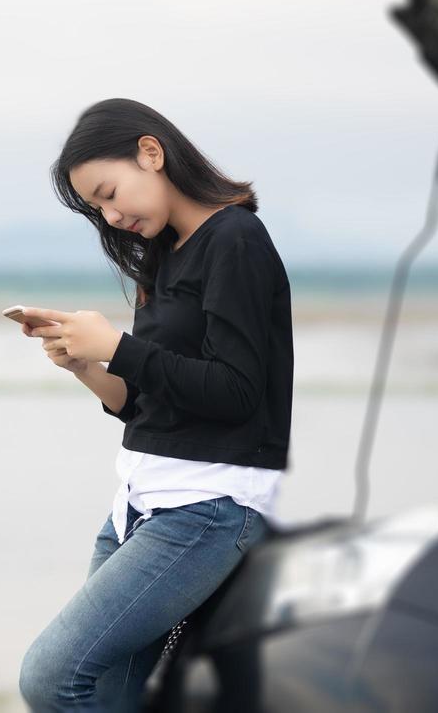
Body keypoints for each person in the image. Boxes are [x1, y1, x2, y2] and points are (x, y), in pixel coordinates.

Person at [17, 98, 294, 711]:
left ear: (151, 152)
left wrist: (117, 346)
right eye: (98, 209)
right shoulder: (165, 257)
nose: (111, 216)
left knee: (51, 679)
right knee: (108, 693)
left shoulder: (235, 240)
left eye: (110, 193)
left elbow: (237, 393)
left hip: (211, 505)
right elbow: (147, 407)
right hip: (141, 502)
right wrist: (89, 365)